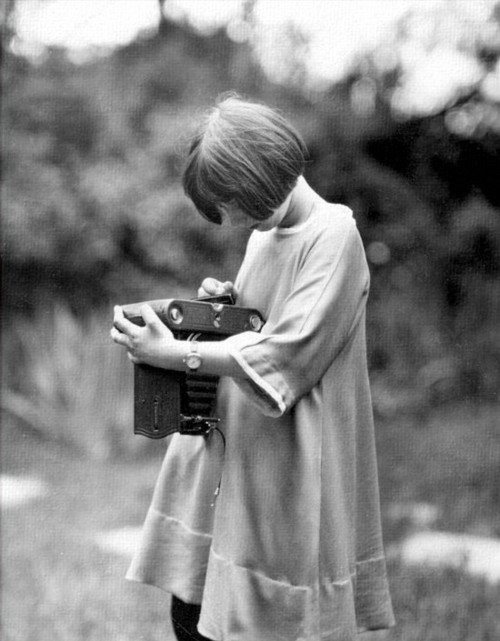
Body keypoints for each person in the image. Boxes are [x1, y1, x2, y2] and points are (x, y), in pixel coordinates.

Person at [111, 95, 395, 641]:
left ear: (262, 180)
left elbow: (287, 355)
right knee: (192, 615)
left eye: (234, 204)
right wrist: (227, 308)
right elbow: (258, 329)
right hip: (236, 454)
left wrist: (170, 353)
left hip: (288, 465)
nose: (229, 220)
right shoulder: (265, 236)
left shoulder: (334, 236)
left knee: (260, 626)